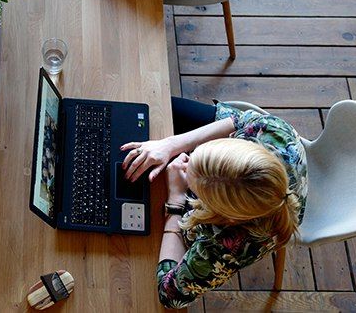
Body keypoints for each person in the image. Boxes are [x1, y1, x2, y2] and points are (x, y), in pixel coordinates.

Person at [120, 98, 307, 308]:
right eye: (195, 155)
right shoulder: (274, 131)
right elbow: (237, 120)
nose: (185, 159)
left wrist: (176, 200)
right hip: (268, 190)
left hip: (242, 227)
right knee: (157, 106)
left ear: (221, 213)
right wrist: (170, 145)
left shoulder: (224, 247)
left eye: (196, 189)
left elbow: (170, 295)